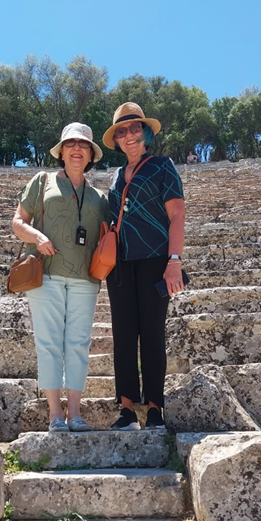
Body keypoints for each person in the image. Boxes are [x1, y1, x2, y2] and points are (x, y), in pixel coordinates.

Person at [12, 122, 110, 432]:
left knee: (78, 344)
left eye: (83, 145)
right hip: (46, 274)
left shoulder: (100, 198)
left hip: (85, 278)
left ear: (91, 154)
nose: (77, 149)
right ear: (62, 152)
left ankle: (75, 413)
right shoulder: (42, 182)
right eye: (71, 144)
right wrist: (38, 237)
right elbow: (17, 222)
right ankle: (55, 414)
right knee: (49, 343)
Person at [102, 102, 186, 431]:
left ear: (145, 132)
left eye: (135, 128)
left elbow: (177, 214)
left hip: (155, 260)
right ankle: (126, 410)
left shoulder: (163, 166)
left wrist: (174, 261)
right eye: (121, 131)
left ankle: (154, 409)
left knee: (152, 334)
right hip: (120, 265)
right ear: (116, 140)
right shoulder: (114, 176)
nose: (129, 135)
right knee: (123, 335)